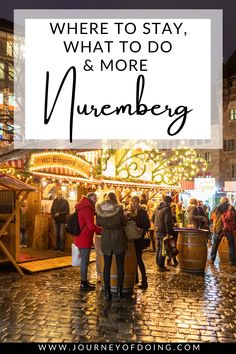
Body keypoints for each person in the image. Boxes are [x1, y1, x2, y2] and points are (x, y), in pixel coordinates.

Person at [96, 192, 127, 300]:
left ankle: (107, 292)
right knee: (120, 266)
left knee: (107, 266)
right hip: (118, 236)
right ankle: (119, 292)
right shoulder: (119, 208)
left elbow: (98, 223)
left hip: (106, 237)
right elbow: (124, 222)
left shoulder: (100, 209)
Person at [75, 192, 102, 291]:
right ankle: (83, 282)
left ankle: (84, 280)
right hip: (84, 238)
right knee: (84, 261)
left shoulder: (83, 206)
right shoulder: (87, 209)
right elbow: (90, 226)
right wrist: (101, 230)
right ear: (92, 199)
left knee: (85, 261)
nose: (96, 201)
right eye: (95, 199)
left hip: (81, 237)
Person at [127, 196, 150, 289]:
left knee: (139, 259)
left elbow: (146, 225)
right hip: (131, 239)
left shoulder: (142, 212)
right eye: (132, 201)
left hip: (139, 238)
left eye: (135, 202)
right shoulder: (129, 213)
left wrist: (137, 225)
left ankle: (144, 280)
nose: (133, 203)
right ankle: (135, 278)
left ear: (138, 202)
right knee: (133, 259)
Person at [210, 197, 236, 265]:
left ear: (221, 201)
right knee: (231, 244)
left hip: (218, 228)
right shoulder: (231, 207)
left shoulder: (217, 207)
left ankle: (212, 259)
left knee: (215, 244)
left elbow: (211, 217)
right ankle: (232, 261)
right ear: (227, 201)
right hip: (227, 228)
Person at [154, 195, 174, 271]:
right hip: (163, 231)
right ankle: (161, 266)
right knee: (163, 249)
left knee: (158, 248)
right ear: (169, 202)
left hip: (157, 229)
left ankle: (158, 264)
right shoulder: (167, 208)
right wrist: (169, 232)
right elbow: (167, 221)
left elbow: (153, 217)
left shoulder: (157, 207)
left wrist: (157, 225)